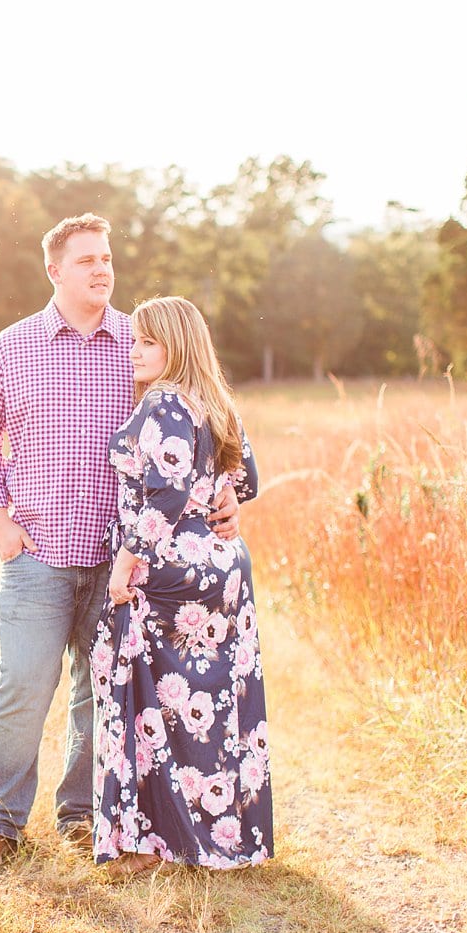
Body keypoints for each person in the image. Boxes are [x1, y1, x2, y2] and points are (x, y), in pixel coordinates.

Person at [0, 215, 240, 872]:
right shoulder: (12, 347)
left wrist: (225, 483)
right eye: (85, 259)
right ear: (53, 270)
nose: (100, 269)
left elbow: (205, 410)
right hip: (38, 556)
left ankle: (84, 815)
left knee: (102, 693)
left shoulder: (140, 346)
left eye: (106, 257)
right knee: (24, 684)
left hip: (123, 559)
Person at [91, 296, 271, 876]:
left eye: (147, 341)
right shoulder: (214, 400)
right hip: (221, 566)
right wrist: (221, 503)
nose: (134, 350)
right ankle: (217, 835)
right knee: (210, 703)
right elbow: (247, 479)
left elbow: (165, 496)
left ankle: (149, 844)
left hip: (167, 569)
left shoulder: (166, 401)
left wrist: (124, 562)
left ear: (175, 346)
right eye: (135, 340)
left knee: (144, 698)